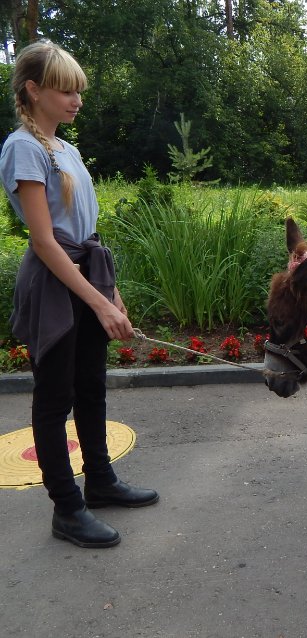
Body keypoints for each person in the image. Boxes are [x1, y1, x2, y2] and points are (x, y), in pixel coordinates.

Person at [0, 40, 158, 548]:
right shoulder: (23, 147)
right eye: (66, 90)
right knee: (55, 398)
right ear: (33, 90)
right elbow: (45, 241)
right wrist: (96, 299)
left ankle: (101, 481)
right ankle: (67, 509)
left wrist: (111, 293)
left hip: (86, 276)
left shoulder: (65, 148)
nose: (77, 100)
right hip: (54, 284)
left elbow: (86, 234)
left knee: (91, 386)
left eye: (78, 91)